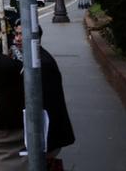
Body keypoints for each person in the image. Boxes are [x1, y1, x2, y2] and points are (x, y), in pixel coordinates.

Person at [13, 22, 76, 155]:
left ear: (35, 38)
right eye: (16, 34)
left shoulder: (41, 65)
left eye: (21, 35)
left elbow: (47, 104)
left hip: (47, 139)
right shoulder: (34, 59)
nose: (17, 39)